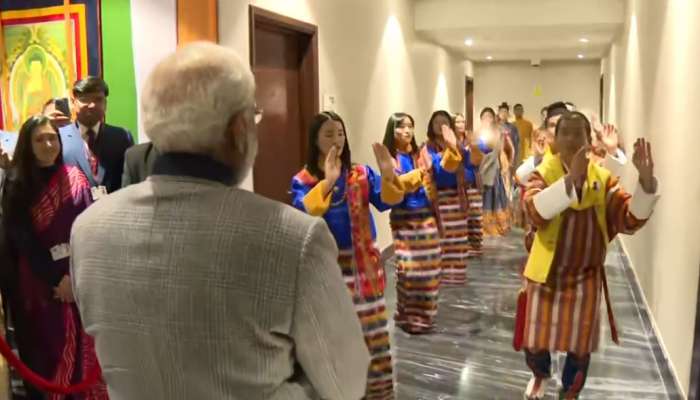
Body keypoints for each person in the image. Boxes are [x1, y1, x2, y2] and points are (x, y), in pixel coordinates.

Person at [71, 42, 370, 400]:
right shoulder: (295, 238)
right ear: (239, 129)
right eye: (254, 116)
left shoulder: (88, 229)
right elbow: (347, 383)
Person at [518, 112, 659, 399]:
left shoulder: (603, 180)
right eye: (564, 132)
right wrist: (571, 180)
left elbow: (629, 220)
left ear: (588, 140)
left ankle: (571, 389)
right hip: (545, 273)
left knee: (580, 345)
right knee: (535, 337)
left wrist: (646, 184)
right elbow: (534, 211)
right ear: (555, 140)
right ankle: (539, 375)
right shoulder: (541, 174)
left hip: (585, 279)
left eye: (577, 133)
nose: (570, 139)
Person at [291, 111, 405, 400]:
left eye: (340, 133)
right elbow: (302, 215)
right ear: (314, 140)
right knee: (337, 341)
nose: (336, 140)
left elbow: (386, 200)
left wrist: (389, 175)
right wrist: (327, 183)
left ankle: (378, 394)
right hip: (326, 272)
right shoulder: (303, 180)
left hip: (364, 269)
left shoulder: (360, 174)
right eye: (328, 134)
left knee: (374, 338)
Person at [0, 115, 107, 400]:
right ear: (27, 144)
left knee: (86, 358)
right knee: (47, 353)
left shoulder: (74, 177)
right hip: (40, 285)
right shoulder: (17, 184)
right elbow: (24, 241)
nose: (48, 144)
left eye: (52, 138)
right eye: (40, 139)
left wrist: (74, 279)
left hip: (78, 280)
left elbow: (89, 229)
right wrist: (57, 280)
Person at [381, 112, 442, 334]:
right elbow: (393, 186)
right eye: (401, 127)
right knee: (409, 270)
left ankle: (425, 317)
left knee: (430, 268)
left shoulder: (420, 154)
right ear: (392, 130)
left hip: (426, 215)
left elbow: (437, 170)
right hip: (404, 218)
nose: (407, 131)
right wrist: (415, 176)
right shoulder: (388, 157)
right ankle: (407, 316)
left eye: (410, 126)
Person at [59, 77, 134, 194]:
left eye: (98, 99)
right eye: (85, 99)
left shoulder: (122, 137)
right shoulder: (59, 138)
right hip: (75, 211)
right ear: (73, 103)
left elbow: (130, 182)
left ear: (105, 104)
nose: (92, 105)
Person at [419, 111, 469, 285]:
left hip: (456, 196)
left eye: (444, 122)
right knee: (443, 238)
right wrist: (445, 156)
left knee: (458, 238)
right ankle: (443, 274)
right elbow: (435, 171)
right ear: (431, 126)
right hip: (438, 199)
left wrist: (454, 150)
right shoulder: (427, 149)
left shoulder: (458, 144)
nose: (440, 125)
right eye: (436, 122)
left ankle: (457, 275)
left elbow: (467, 166)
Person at [477, 107, 513, 236]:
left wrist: (506, 166)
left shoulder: (497, 133)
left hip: (494, 169)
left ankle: (497, 226)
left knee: (496, 198)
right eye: (485, 116)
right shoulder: (477, 134)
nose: (487, 119)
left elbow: (505, 150)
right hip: (481, 170)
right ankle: (484, 227)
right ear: (481, 119)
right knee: (484, 199)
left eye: (490, 116)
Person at [453, 113, 484, 257]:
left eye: (463, 121)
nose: (461, 124)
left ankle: (476, 244)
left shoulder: (471, 139)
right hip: (458, 184)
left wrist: (474, 144)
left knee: (475, 215)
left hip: (473, 182)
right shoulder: (450, 140)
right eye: (458, 121)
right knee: (460, 216)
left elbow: (484, 149)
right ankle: (462, 245)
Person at [498, 102, 520, 169]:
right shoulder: (495, 127)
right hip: (498, 157)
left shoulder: (513, 127)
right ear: (498, 113)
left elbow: (516, 144)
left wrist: (514, 159)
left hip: (510, 156)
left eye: (505, 112)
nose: (503, 114)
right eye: (502, 112)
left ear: (508, 114)